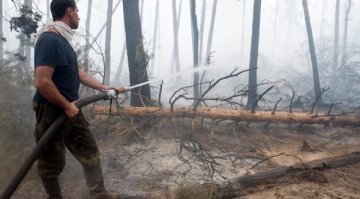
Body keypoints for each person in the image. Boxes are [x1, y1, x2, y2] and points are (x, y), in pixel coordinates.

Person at [33, 0, 125, 198]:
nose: (79, 16)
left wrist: (103, 87)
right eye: (77, 11)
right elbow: (42, 82)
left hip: (71, 107)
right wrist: (66, 105)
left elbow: (76, 72)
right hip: (51, 110)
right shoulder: (50, 40)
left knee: (89, 150)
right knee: (51, 160)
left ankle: (99, 194)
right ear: (69, 11)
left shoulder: (62, 40)